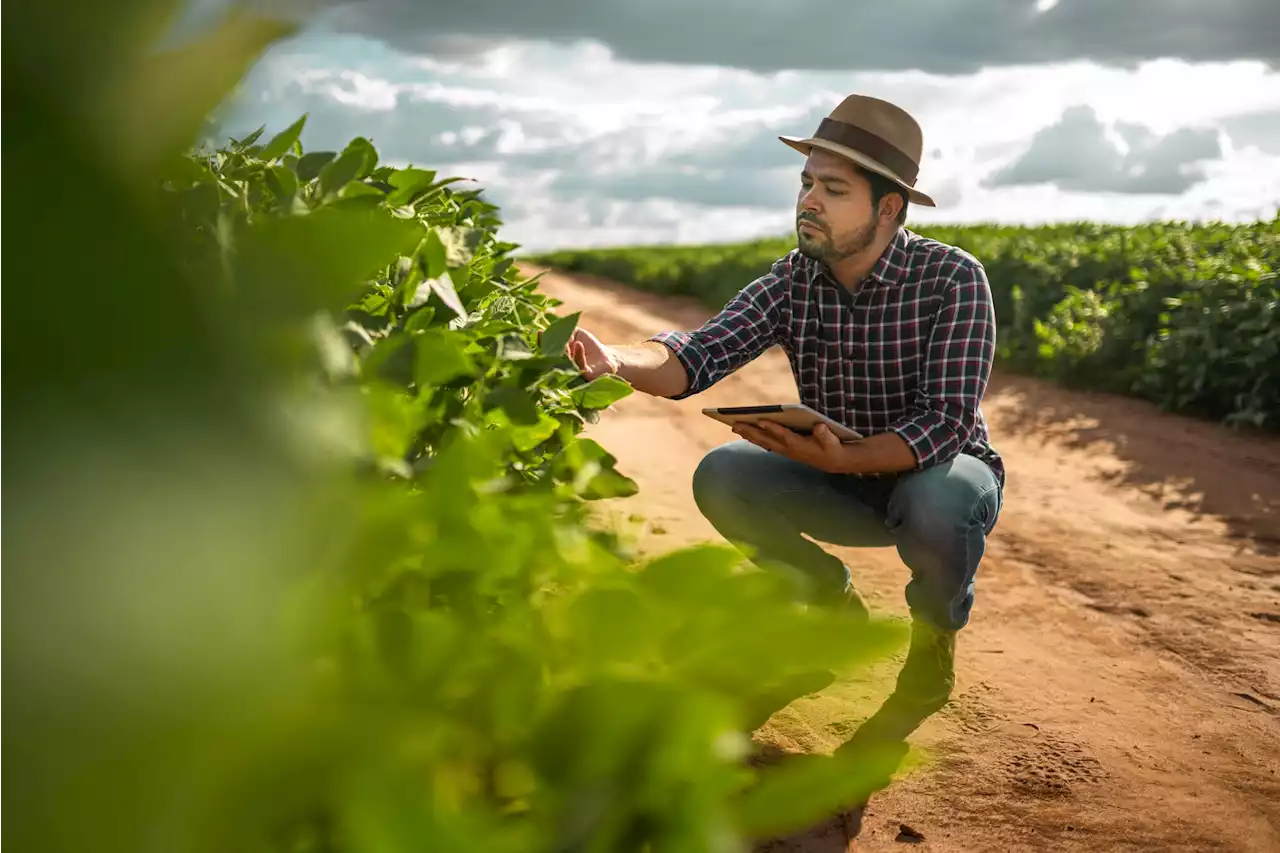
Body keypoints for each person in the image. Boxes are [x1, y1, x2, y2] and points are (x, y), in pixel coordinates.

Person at [565, 93, 1005, 831]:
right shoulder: (793, 280)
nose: (810, 201)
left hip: (936, 474)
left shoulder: (953, 280)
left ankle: (929, 661)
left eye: (833, 190)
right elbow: (696, 355)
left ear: (889, 208)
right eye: (807, 184)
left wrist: (852, 456)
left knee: (940, 500)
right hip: (840, 474)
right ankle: (824, 610)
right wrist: (616, 359)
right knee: (724, 474)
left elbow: (948, 422)